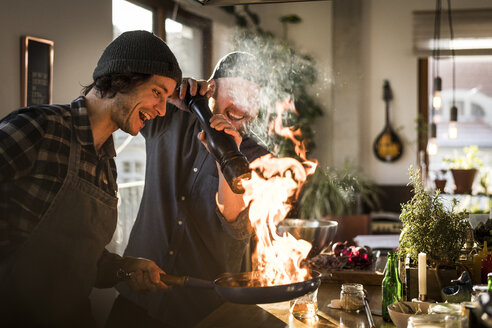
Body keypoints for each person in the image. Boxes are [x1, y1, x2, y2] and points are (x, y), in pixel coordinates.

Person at [0, 30, 182, 327]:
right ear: (122, 79)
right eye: (158, 93)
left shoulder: (107, 166)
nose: (162, 110)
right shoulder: (39, 127)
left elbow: (83, 262)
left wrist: (126, 269)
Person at [106, 52, 269, 328]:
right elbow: (126, 90)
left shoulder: (260, 156)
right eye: (236, 93)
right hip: (137, 294)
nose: (243, 106)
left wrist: (226, 155)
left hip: (201, 310)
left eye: (252, 98)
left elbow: (238, 228)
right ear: (212, 88)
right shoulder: (168, 118)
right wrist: (170, 92)